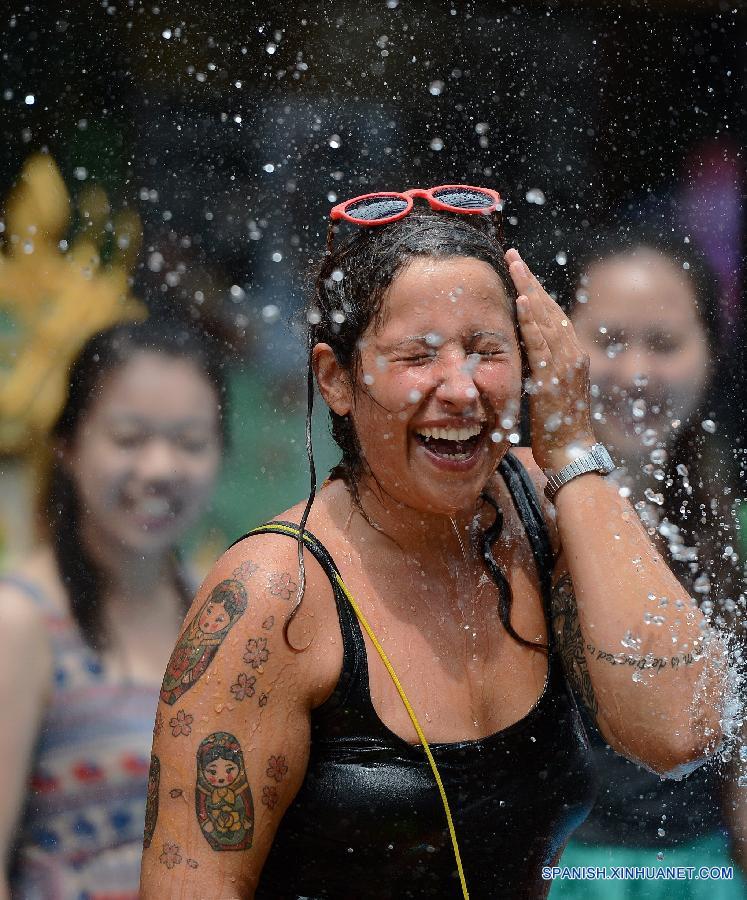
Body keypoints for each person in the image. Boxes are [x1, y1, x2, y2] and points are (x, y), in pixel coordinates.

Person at [140, 187, 727, 900]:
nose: (460, 388)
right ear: (336, 379)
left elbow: (680, 732)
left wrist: (573, 443)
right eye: (417, 356)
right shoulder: (271, 598)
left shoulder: (547, 510)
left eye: (488, 350)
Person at [547, 227, 746, 898]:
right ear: (554, 346)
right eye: (606, 342)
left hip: (705, 876)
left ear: (710, 353)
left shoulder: (737, 533)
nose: (635, 373)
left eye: (663, 345)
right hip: (552, 875)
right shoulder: (508, 519)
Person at [0, 319, 227, 899]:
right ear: (68, 446)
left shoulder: (224, 620)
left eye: (190, 442)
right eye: (128, 438)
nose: (159, 469)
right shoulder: (20, 623)